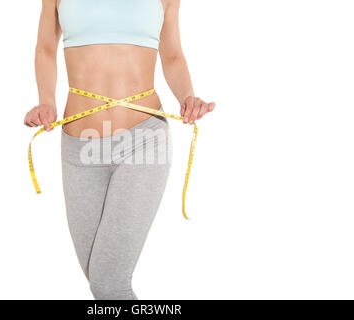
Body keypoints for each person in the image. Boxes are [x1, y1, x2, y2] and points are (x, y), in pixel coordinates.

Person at [24, 0, 215, 300]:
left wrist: (188, 97)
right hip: (79, 146)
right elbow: (46, 47)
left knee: (109, 281)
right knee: (100, 282)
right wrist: (47, 101)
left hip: (143, 139)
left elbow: (173, 54)